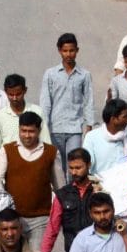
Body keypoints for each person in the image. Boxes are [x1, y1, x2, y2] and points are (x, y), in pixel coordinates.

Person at [0, 111, 64, 252]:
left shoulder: (51, 152)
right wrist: (5, 202)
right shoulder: (7, 150)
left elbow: (60, 186)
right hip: (13, 218)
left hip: (41, 218)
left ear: (39, 130)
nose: (27, 135)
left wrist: (62, 212)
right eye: (23, 131)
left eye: (31, 131)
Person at [40, 33, 94, 176]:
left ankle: (72, 190)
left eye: (72, 50)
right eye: (65, 51)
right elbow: (45, 102)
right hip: (55, 128)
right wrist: (44, 126)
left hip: (75, 129)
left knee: (73, 165)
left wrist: (89, 125)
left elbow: (89, 101)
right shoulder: (50, 74)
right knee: (57, 166)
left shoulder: (84, 75)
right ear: (59, 51)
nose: (68, 54)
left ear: (77, 50)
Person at [41, 147, 96, 252]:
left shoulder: (99, 190)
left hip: (98, 251)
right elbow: (52, 229)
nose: (74, 172)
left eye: (78, 168)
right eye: (71, 168)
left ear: (89, 165)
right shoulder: (63, 195)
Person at [0, 74, 50, 153]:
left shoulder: (37, 112)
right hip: (8, 159)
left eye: (18, 94)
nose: (14, 98)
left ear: (25, 90)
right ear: (5, 91)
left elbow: (46, 141)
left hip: (34, 158)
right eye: (11, 95)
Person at [81, 98, 127, 174]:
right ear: (113, 119)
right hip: (100, 180)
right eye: (125, 117)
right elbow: (87, 165)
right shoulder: (92, 137)